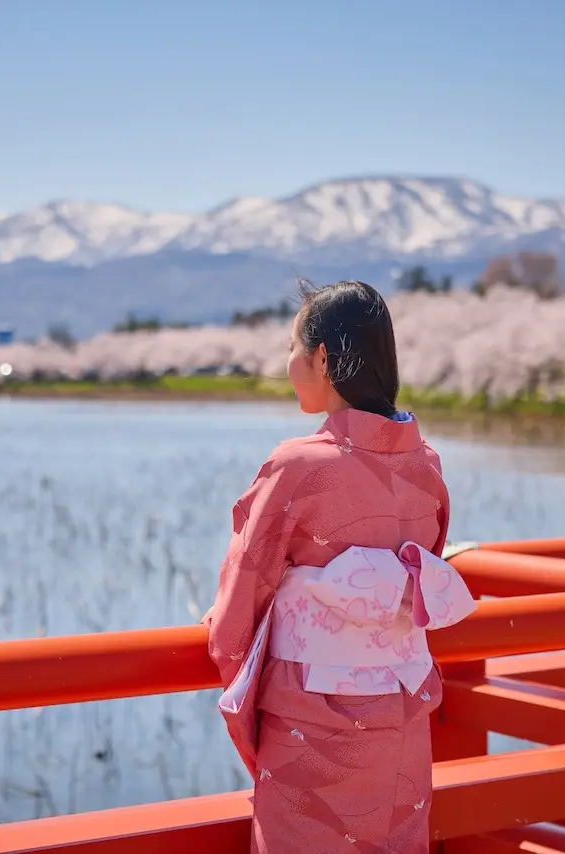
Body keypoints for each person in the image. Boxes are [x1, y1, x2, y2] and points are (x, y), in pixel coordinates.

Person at [202, 280, 476, 853]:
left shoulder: (296, 466)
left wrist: (238, 670)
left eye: (292, 346)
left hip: (313, 718)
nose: (289, 362)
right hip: (401, 712)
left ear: (321, 357)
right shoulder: (425, 465)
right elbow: (417, 583)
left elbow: (241, 601)